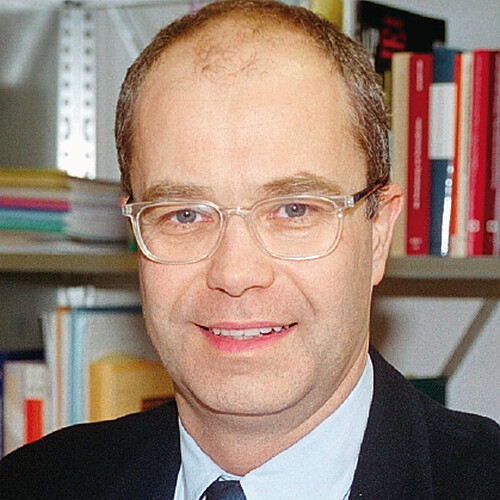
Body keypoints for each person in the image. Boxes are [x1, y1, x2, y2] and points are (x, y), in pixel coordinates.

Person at [1, 1, 499, 498]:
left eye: (294, 210)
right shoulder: (32, 483)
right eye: (185, 214)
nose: (235, 273)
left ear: (379, 234)